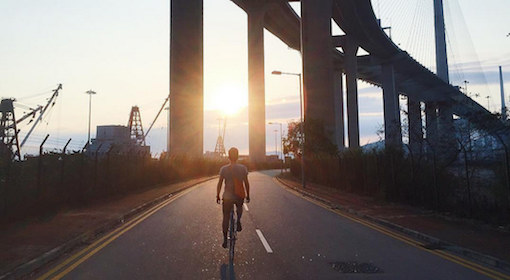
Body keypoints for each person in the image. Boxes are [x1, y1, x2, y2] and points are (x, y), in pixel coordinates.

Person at [216, 147, 250, 248]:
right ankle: (238, 219)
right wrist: (248, 195)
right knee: (239, 207)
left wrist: (217, 195)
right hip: (239, 195)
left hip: (227, 197)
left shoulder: (223, 169)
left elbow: (219, 184)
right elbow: (246, 183)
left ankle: (225, 239)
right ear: (238, 156)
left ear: (228, 156)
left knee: (225, 217)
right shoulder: (243, 168)